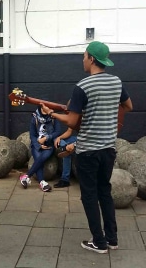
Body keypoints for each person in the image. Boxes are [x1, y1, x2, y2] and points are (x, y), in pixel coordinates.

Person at [43, 41, 132, 254]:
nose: (82, 60)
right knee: (105, 193)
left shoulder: (83, 86)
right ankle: (112, 239)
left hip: (88, 151)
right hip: (108, 149)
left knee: (89, 196)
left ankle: (99, 243)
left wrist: (51, 113)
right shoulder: (116, 82)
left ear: (92, 59)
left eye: (84, 56)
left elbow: (72, 122)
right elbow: (128, 106)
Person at [19, 106, 62, 192]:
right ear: (40, 109)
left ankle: (26, 176)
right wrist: (38, 145)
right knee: (39, 158)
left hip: (49, 145)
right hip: (37, 145)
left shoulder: (53, 117)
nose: (45, 110)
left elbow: (58, 131)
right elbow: (32, 135)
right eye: (43, 108)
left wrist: (46, 138)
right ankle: (42, 183)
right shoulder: (34, 118)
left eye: (47, 108)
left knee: (42, 157)